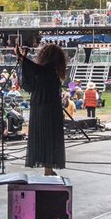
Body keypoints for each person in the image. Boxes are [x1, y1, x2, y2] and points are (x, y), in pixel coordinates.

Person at [19, 42, 68, 176]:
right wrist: (22, 58)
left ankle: (48, 169)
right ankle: (48, 169)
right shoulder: (50, 70)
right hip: (49, 108)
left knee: (45, 139)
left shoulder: (47, 69)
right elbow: (33, 74)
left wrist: (23, 58)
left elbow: (29, 81)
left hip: (42, 107)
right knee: (49, 139)